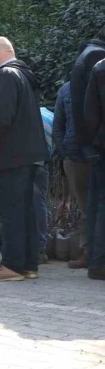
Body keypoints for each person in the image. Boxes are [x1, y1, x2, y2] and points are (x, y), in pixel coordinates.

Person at [0, 37, 48, 282]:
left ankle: (11, 265)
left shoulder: (4, 76)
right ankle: (28, 265)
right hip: (27, 156)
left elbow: (0, 119)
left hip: (8, 156)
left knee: (9, 211)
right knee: (25, 210)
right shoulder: (24, 75)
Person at [0, 106, 53, 265]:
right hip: (38, 162)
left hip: (13, 159)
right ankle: (39, 248)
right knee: (38, 201)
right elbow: (53, 150)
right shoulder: (52, 118)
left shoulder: (24, 111)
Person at [53, 81, 90, 269]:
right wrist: (65, 152)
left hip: (84, 153)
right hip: (76, 155)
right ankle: (89, 252)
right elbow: (58, 125)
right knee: (85, 208)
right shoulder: (67, 89)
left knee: (88, 208)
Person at [82, 57, 105, 280]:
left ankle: (96, 261)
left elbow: (90, 114)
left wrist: (97, 140)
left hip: (101, 147)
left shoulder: (99, 67)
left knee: (98, 205)